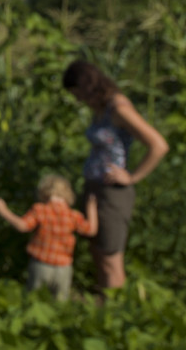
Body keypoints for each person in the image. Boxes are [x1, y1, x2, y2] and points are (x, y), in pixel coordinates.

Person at [62, 60, 168, 290]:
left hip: (113, 192)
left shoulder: (118, 108)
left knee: (110, 255)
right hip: (95, 186)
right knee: (98, 251)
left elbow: (158, 145)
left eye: (78, 93)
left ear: (87, 86)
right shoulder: (100, 108)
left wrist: (132, 177)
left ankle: (118, 314)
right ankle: (104, 308)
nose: (78, 99)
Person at [0, 174, 97, 301]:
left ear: (43, 192)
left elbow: (23, 226)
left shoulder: (40, 210)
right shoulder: (73, 215)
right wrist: (92, 207)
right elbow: (91, 230)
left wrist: (3, 210)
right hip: (64, 268)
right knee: (60, 305)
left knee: (34, 302)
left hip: (41, 265)